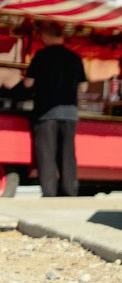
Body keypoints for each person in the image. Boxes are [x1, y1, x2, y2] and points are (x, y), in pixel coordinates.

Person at [22, 24, 85, 196]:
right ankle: (69, 191)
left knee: (47, 154)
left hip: (46, 112)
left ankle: (49, 193)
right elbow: (83, 87)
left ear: (46, 35)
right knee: (67, 154)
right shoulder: (75, 57)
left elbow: (28, 83)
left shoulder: (41, 56)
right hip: (70, 113)